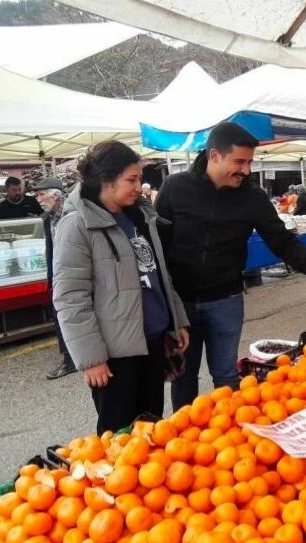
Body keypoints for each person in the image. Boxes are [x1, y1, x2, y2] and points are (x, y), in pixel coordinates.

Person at [156, 122, 306, 410]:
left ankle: (228, 433)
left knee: (226, 375)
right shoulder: (175, 188)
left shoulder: (252, 197)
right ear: (214, 156)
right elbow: (158, 244)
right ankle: (184, 440)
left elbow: (281, 240)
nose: (246, 170)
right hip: (181, 304)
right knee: (183, 377)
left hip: (226, 300)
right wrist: (162, 300)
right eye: (239, 161)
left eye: (250, 162)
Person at [53, 141, 190, 434]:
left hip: (152, 342)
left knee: (151, 426)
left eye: (139, 179)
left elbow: (159, 275)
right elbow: (70, 298)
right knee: (117, 436)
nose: (139, 186)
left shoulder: (138, 217)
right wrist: (91, 359)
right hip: (115, 355)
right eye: (132, 179)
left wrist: (177, 321)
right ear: (105, 179)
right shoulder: (76, 225)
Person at [30, 177, 76, 380]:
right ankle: (69, 359)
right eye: (37, 195)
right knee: (60, 317)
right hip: (59, 276)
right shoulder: (46, 219)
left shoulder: (74, 214)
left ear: (56, 195)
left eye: (41, 194)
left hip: (78, 274)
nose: (38, 199)